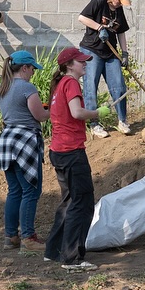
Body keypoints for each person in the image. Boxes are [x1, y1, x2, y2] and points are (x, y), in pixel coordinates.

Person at [43, 47, 103, 271]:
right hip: (71, 152)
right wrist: (97, 113)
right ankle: (72, 257)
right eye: (81, 62)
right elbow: (77, 112)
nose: (85, 64)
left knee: (69, 201)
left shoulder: (59, 85)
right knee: (82, 203)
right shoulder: (70, 84)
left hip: (59, 150)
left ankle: (54, 250)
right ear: (69, 65)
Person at [0, 50, 51, 251]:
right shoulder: (27, 87)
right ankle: (28, 238)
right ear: (24, 68)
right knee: (31, 190)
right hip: (25, 141)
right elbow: (40, 116)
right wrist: (51, 110)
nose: (33, 72)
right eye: (32, 68)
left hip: (7, 140)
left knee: (14, 190)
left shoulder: (3, 87)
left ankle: (11, 237)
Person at [76, 0, 132, 138]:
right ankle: (94, 124)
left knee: (119, 86)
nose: (120, 3)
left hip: (110, 52)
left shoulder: (119, 10)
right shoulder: (99, 2)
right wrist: (99, 28)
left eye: (122, 1)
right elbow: (82, 18)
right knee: (90, 86)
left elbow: (121, 33)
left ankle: (122, 120)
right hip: (91, 50)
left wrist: (125, 53)